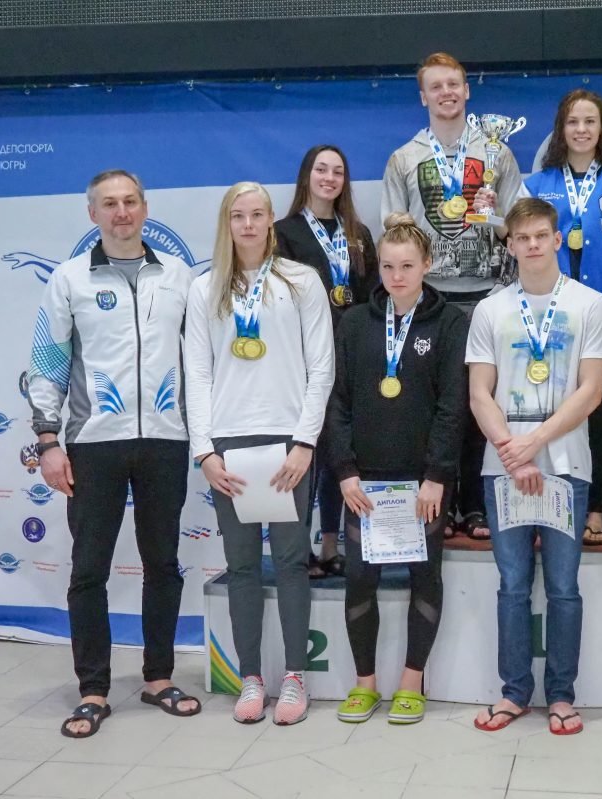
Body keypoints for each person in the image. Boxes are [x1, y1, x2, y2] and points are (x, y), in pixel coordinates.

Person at [29, 169, 199, 738]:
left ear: (145, 208)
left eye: (129, 201)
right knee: (89, 570)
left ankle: (158, 678)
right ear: (93, 214)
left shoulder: (178, 276)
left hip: (165, 441)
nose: (121, 212)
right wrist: (48, 440)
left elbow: (200, 360)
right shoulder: (69, 279)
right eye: (109, 204)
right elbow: (48, 362)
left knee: (162, 564)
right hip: (93, 444)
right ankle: (93, 690)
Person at [184, 181, 334, 725]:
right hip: (229, 444)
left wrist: (305, 442)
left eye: (256, 214)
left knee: (292, 563)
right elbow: (197, 374)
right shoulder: (204, 289)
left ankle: (294, 678)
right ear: (226, 224)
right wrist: (205, 452)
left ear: (271, 220)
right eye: (237, 216)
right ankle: (251, 678)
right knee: (242, 566)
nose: (247, 225)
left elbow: (322, 368)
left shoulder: (302, 281)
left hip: (288, 442)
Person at [466, 198, 602, 735]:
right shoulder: (490, 309)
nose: (532, 244)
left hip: (566, 463)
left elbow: (592, 392)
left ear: (557, 239)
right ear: (509, 245)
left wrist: (533, 444)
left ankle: (561, 696)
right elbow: (479, 394)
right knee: (511, 584)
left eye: (540, 236)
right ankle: (513, 694)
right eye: (521, 237)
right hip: (502, 464)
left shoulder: (590, 304)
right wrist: (512, 449)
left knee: (562, 586)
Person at [326, 213, 469, 724]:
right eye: (388, 266)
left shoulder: (451, 324)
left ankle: (412, 681)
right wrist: (344, 471)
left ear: (427, 264)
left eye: (407, 266)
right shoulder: (354, 323)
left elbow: (453, 406)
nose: (397, 276)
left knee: (424, 576)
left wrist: (437, 476)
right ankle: (365, 683)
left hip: (423, 483)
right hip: (363, 481)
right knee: (359, 579)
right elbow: (337, 401)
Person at [381, 51, 522, 543]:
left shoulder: (497, 153)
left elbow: (516, 231)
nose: (446, 93)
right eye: (436, 86)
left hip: (486, 294)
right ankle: (436, 503)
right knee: (434, 404)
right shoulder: (404, 158)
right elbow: (393, 231)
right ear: (423, 96)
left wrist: (493, 213)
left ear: (467, 91)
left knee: (484, 403)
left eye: (453, 84)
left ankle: (476, 505)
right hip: (429, 299)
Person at [520, 88, 602, 546]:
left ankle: (594, 508)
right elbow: (520, 244)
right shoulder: (536, 185)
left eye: (590, 121)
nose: (581, 129)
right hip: (543, 317)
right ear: (561, 128)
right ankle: (540, 506)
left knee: (594, 413)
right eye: (573, 121)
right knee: (542, 407)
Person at [276, 144, 380, 579]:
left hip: (352, 357)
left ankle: (332, 546)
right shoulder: (283, 233)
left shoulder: (358, 233)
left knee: (342, 452)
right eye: (321, 169)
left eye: (338, 171)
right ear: (307, 176)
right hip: (305, 359)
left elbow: (373, 296)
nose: (329, 178)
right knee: (307, 452)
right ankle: (299, 547)